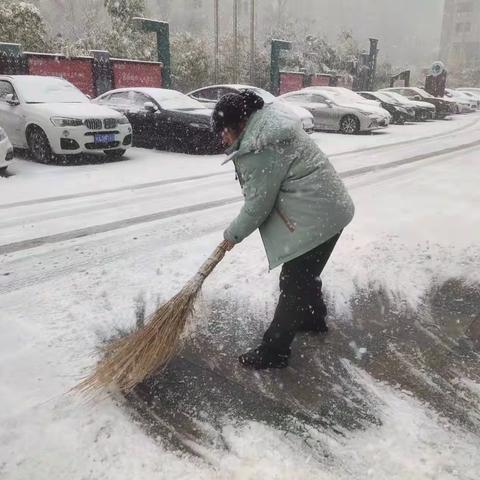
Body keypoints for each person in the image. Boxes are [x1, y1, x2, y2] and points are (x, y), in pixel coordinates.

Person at [211, 90, 355, 370]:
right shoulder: (268, 127)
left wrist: (232, 236)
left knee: (294, 282)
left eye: (224, 131)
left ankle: (274, 350)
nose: (222, 139)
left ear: (239, 124)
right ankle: (313, 319)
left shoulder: (260, 148)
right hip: (328, 211)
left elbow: (257, 206)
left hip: (318, 219)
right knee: (303, 274)